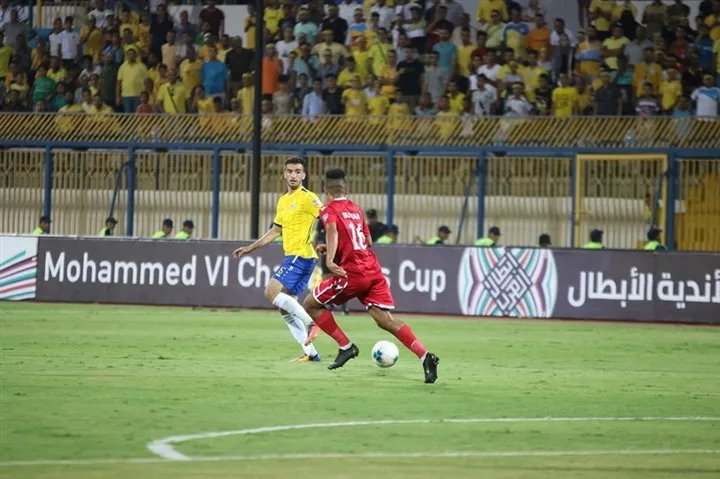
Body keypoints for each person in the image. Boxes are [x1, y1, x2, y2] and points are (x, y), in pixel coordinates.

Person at [302, 169, 439, 383]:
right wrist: (332, 248)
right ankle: (425, 356)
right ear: (346, 189)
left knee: (310, 304)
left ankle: (346, 347)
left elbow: (332, 231)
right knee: (385, 320)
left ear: (325, 190)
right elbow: (367, 242)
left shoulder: (328, 210)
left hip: (351, 273)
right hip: (373, 270)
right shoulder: (356, 209)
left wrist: (329, 259)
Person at [232, 157, 322, 363]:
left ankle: (311, 323)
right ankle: (311, 353)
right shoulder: (283, 201)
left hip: (300, 255)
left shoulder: (308, 197)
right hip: (298, 257)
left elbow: (328, 217)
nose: (293, 175)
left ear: (304, 175)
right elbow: (275, 231)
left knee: (270, 292)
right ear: (284, 174)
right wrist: (250, 248)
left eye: (297, 171)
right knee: (285, 308)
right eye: (289, 171)